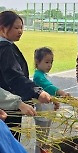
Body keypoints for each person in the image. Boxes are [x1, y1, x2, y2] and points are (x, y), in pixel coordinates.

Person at [0, 11, 51, 141]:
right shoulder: (5, 49)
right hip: (8, 108)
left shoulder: (8, 46)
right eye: (16, 27)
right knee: (10, 142)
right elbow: (15, 77)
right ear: (2, 28)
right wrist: (37, 92)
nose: (20, 31)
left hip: (9, 104)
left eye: (21, 27)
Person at [33, 47, 70, 153]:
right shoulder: (38, 76)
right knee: (41, 140)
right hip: (42, 114)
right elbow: (48, 87)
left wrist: (55, 101)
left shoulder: (44, 75)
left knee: (44, 139)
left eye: (51, 62)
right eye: (47, 62)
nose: (49, 65)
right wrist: (61, 92)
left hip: (48, 112)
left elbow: (49, 92)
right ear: (37, 62)